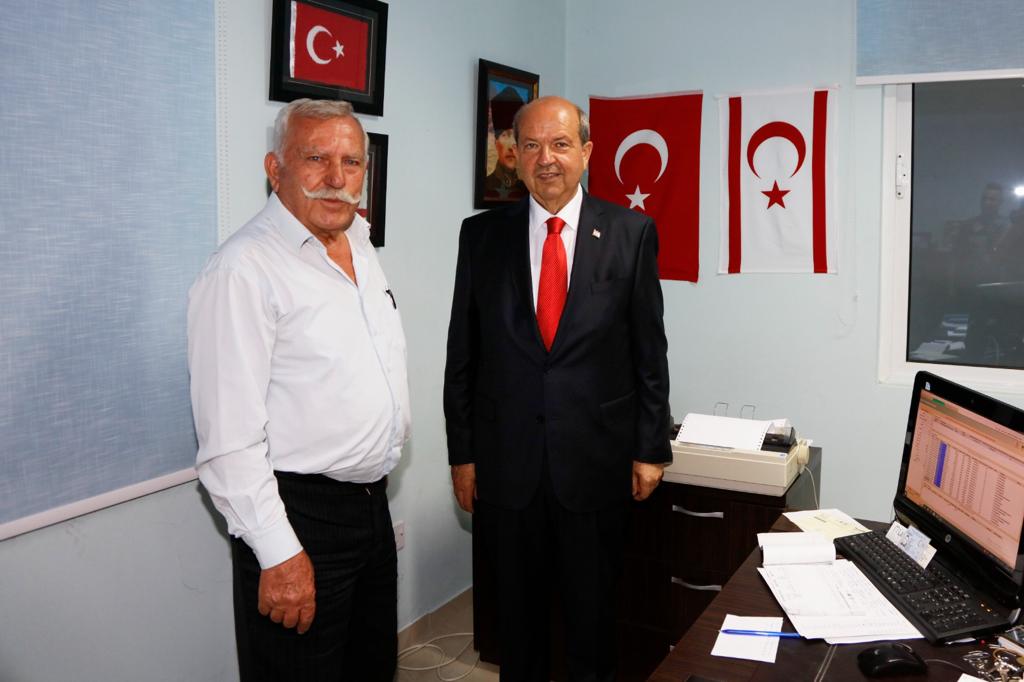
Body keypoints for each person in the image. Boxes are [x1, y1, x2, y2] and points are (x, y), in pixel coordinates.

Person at [444, 95, 672, 681]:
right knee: (517, 629)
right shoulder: (481, 236)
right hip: (507, 468)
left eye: (561, 144)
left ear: (587, 153)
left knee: (591, 624)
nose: (546, 158)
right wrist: (462, 455)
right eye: (532, 145)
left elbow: (649, 352)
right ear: (515, 157)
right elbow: (462, 353)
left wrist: (650, 449)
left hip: (596, 463)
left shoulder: (630, 233)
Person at [187, 98, 410, 682]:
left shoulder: (357, 239)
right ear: (275, 168)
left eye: (351, 162)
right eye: (315, 158)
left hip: (370, 509)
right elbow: (229, 441)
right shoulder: (242, 270)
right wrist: (279, 554)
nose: (336, 178)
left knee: (370, 670)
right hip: (297, 518)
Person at [483, 86, 528, 201]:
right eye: (505, 135)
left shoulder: (530, 190)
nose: (511, 147)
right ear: (496, 142)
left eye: (515, 137)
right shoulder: (487, 185)